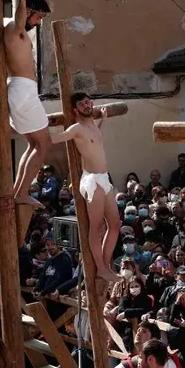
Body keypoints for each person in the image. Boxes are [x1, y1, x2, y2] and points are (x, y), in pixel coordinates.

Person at [51, 92, 121, 281]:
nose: (87, 106)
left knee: (115, 225)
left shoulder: (93, 126)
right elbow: (56, 139)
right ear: (75, 110)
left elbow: (96, 141)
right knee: (96, 227)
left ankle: (105, 266)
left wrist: (103, 120)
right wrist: (35, 134)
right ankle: (100, 267)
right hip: (91, 180)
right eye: (82, 104)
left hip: (104, 178)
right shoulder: (77, 128)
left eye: (88, 102)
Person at [3, 0, 52, 209]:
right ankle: (21, 192)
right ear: (28, 12)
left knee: (34, 144)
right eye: (39, 16)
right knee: (44, 144)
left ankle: (19, 191)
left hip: (23, 90)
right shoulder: (15, 29)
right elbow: (19, 16)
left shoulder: (17, 32)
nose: (40, 22)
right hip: (22, 90)